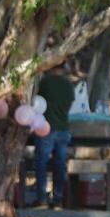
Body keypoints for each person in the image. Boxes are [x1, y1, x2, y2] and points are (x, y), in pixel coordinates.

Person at [33, 66, 74, 207]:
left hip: (46, 128)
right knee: (59, 165)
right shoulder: (68, 85)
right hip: (63, 129)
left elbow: (36, 100)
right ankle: (58, 200)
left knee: (41, 164)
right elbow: (69, 104)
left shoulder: (45, 82)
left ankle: (42, 198)